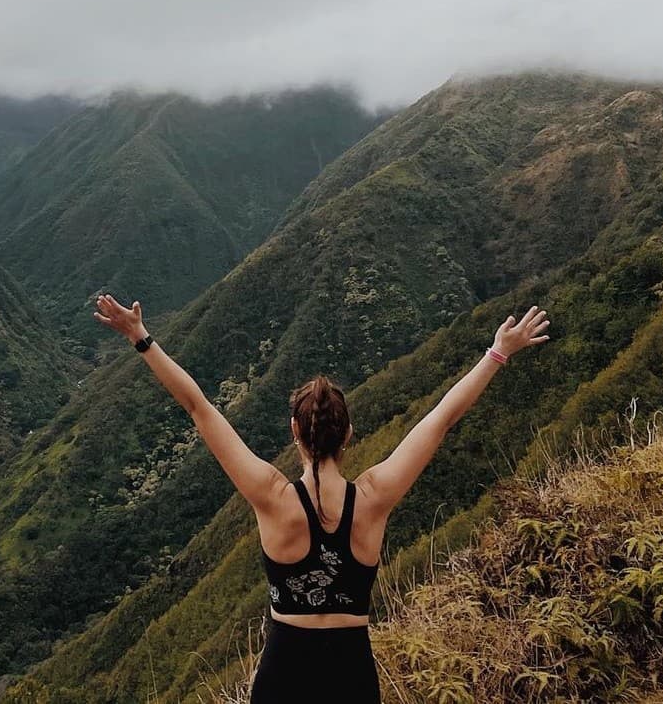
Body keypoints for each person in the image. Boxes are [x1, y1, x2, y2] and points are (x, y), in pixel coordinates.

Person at [93, 293, 551, 702]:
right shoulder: (373, 498)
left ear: (295, 432)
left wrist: (141, 338)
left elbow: (198, 407)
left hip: (284, 672)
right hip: (351, 673)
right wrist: (498, 352)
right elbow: (440, 420)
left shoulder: (272, 497)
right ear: (349, 434)